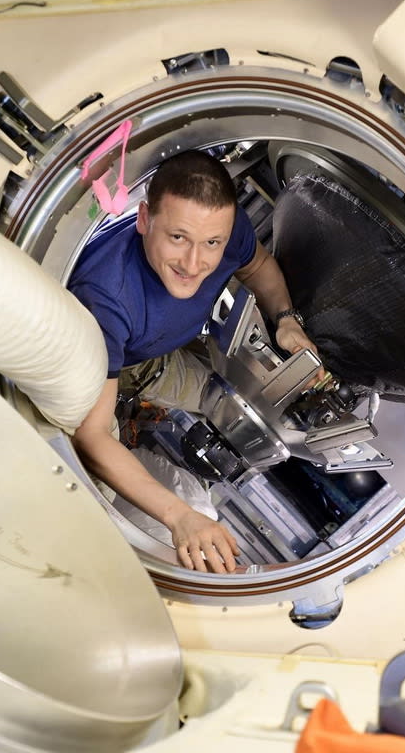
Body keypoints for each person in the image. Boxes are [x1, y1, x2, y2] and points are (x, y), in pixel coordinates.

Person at [68, 149, 323, 574]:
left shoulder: (221, 226)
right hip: (121, 362)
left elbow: (257, 265)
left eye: (211, 244)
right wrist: (180, 516)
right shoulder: (106, 300)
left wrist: (286, 320)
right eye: (178, 238)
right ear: (144, 219)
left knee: (223, 392)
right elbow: (90, 437)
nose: (193, 263)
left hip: (169, 340)